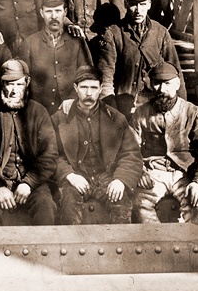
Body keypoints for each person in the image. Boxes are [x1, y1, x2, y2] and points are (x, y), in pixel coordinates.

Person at [131, 62, 198, 224]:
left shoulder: (193, 113)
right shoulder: (141, 113)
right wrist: (139, 171)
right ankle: (156, 246)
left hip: (184, 174)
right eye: (157, 83)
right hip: (153, 173)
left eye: (167, 83)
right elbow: (129, 149)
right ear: (151, 85)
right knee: (140, 206)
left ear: (177, 84)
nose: (161, 89)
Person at [52, 66, 143, 225]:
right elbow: (51, 154)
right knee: (68, 207)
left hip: (107, 177)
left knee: (122, 205)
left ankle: (118, 248)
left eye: (94, 88)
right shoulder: (60, 119)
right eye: (84, 87)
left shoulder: (116, 118)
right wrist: (70, 175)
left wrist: (120, 180)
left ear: (101, 89)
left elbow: (131, 154)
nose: (89, 93)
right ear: (76, 88)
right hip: (75, 177)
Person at [0, 59, 58, 226]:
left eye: (19, 85)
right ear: (2, 84)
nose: (13, 91)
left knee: (46, 205)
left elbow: (50, 155)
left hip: (31, 181)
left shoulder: (39, 112)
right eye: (9, 84)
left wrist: (29, 182)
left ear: (27, 83)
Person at [99, 0, 185, 120]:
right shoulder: (113, 34)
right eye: (133, 4)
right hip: (123, 107)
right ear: (125, 4)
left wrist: (181, 109)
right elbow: (106, 78)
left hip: (155, 107)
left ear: (149, 5)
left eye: (143, 4)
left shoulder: (161, 32)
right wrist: (112, 112)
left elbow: (176, 73)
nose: (138, 10)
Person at [16, 0, 90, 114]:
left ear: (65, 13)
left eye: (58, 11)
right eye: (49, 11)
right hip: (40, 113)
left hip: (73, 110)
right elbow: (22, 81)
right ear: (41, 13)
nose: (54, 16)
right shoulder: (30, 43)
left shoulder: (77, 42)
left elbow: (87, 75)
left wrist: (73, 98)